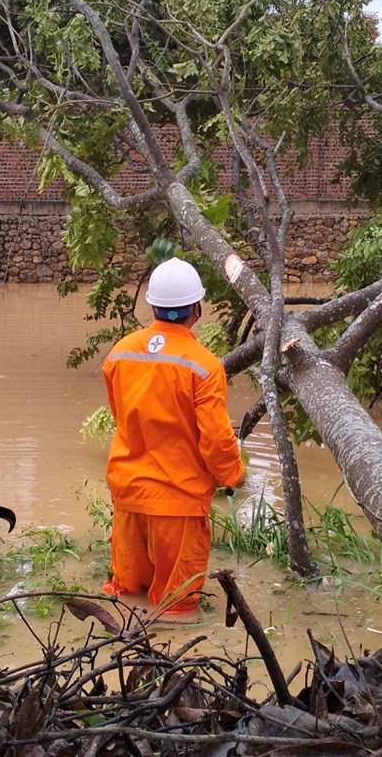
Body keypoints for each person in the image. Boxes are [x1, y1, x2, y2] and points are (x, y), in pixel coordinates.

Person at [101, 257, 245, 614]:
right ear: (196, 308)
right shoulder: (204, 366)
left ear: (152, 305)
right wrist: (234, 476)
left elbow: (122, 415)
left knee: (125, 597)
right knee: (176, 607)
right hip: (177, 505)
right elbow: (215, 438)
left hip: (129, 496)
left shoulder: (120, 353)